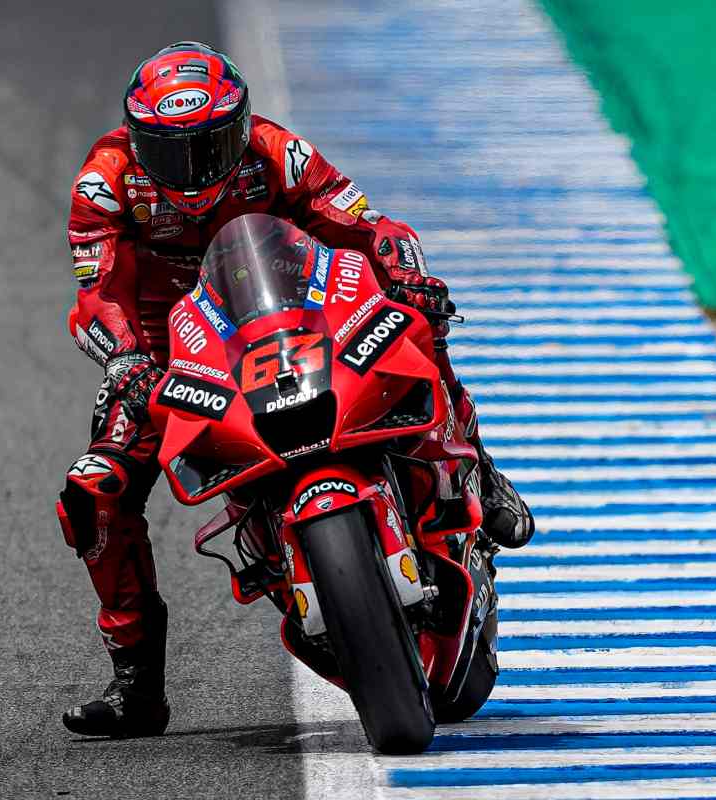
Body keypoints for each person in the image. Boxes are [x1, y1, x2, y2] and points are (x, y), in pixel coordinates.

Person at [58, 41, 533, 739]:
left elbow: (368, 227)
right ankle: (136, 685)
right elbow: (97, 295)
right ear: (136, 139)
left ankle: (477, 470)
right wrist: (127, 361)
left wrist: (407, 277)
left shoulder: (279, 152)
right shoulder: (103, 185)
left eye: (210, 143)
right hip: (174, 354)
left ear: (241, 125)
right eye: (169, 150)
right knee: (94, 487)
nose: (193, 170)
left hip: (294, 315)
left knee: (417, 328)